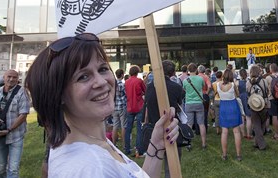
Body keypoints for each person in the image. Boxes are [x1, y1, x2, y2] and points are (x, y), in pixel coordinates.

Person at [24, 33, 179, 178]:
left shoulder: (94, 142)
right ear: (58, 94)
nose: (101, 82)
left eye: (103, 69)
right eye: (83, 77)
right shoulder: (90, 169)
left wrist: (156, 144)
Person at [0, 69, 31, 178]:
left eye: (14, 77)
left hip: (16, 135)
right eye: (9, 76)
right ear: (4, 78)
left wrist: (9, 129)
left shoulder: (22, 92)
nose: (11, 79)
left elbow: (23, 115)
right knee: (0, 167)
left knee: (13, 169)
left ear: (18, 79)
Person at [144, 60, 185, 178]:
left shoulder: (150, 87)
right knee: (171, 167)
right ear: (172, 73)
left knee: (153, 163)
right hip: (170, 130)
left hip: (154, 127)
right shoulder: (176, 87)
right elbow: (179, 105)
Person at [216, 69, 243, 161]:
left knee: (224, 132)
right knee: (236, 131)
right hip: (233, 107)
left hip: (224, 107)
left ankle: (224, 155)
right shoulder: (233, 85)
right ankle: (238, 155)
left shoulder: (218, 85)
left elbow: (219, 95)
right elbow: (237, 95)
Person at [183, 63, 207, 149]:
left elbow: (184, 90)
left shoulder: (185, 80)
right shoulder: (200, 79)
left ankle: (188, 143)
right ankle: (204, 143)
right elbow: (204, 87)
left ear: (188, 70)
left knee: (189, 124)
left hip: (189, 103)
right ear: (196, 69)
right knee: (201, 124)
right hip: (199, 103)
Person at [124, 65, 146, 156]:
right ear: (137, 72)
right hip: (139, 106)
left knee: (128, 128)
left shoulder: (126, 82)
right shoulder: (139, 81)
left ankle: (127, 149)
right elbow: (145, 91)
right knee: (139, 129)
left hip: (129, 107)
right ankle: (139, 149)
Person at [246, 64, 269, 150]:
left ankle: (258, 142)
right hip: (264, 104)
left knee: (256, 125)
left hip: (253, 104)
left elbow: (247, 92)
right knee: (262, 124)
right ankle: (261, 144)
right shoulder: (264, 81)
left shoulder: (248, 82)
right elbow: (267, 91)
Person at [266, 63, 278, 140]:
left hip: (272, 98)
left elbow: (267, 89)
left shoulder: (268, 78)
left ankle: (276, 134)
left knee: (274, 116)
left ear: (271, 69)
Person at [112, 69, 127, 145]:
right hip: (122, 106)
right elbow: (126, 95)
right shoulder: (122, 84)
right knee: (123, 126)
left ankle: (114, 144)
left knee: (115, 126)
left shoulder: (113, 85)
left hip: (114, 107)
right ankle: (124, 144)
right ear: (122, 75)